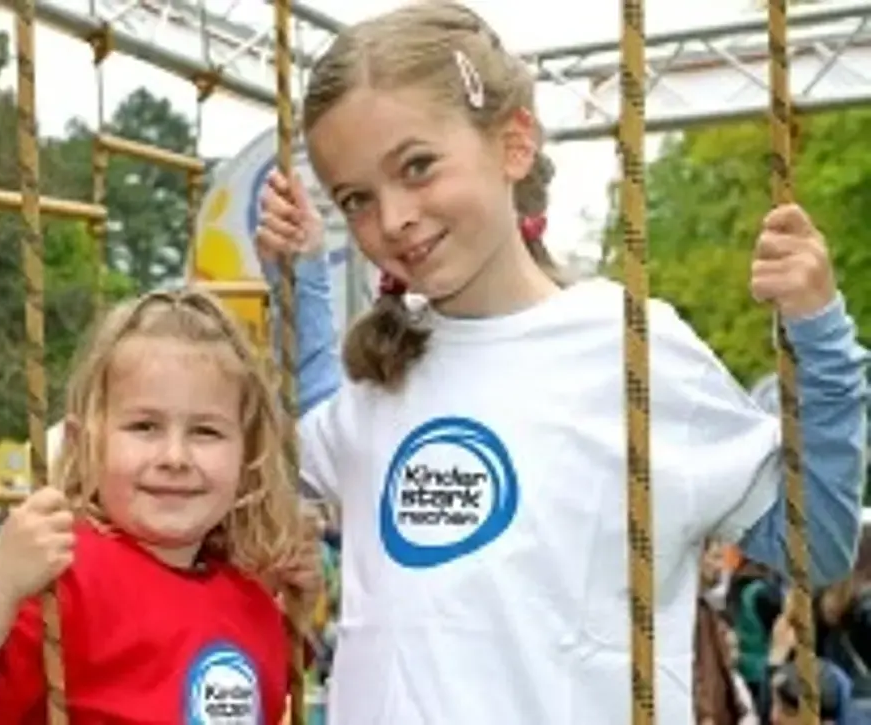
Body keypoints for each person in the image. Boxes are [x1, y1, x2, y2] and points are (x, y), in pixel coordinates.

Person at [252, 2, 867, 723]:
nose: (392, 219)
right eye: (356, 199)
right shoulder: (383, 374)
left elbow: (814, 547)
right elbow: (311, 417)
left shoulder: (632, 348)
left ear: (514, 143)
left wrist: (819, 338)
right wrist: (299, 284)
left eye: (417, 166)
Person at [0, 288, 313, 724]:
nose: (175, 457)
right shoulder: (64, 578)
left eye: (206, 432)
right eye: (144, 426)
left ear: (248, 456)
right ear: (84, 443)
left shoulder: (251, 599)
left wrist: (294, 619)